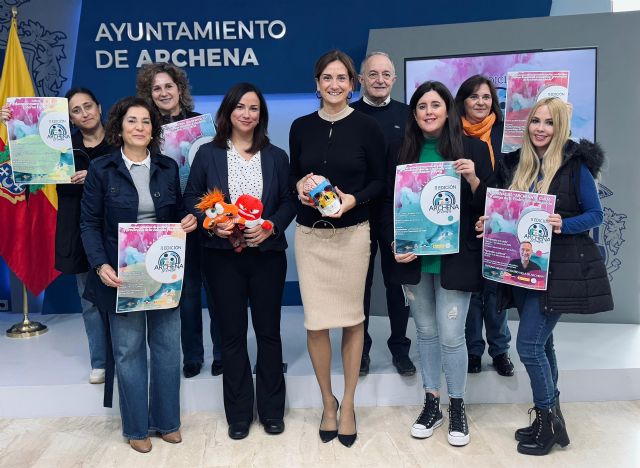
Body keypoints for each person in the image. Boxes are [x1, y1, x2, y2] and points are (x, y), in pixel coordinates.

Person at [476, 97, 613, 456]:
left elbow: (596, 214)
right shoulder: (517, 165)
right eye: (535, 121)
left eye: (549, 123)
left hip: (559, 270)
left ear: (561, 127)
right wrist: (490, 224)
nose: (540, 128)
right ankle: (552, 420)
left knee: (529, 346)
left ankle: (549, 423)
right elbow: (509, 217)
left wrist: (563, 224)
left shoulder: (574, 166)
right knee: (544, 345)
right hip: (524, 271)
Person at [80, 96, 197, 453]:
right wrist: (101, 265)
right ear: (119, 127)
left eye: (146, 122)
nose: (140, 128)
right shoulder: (102, 169)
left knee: (165, 347)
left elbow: (177, 210)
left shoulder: (166, 167)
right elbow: (88, 224)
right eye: (133, 121)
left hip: (162, 271)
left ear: (153, 129)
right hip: (121, 273)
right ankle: (135, 428)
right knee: (129, 350)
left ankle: (167, 422)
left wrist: (188, 219)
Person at [381, 81, 493, 447]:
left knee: (451, 335)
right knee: (426, 333)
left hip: (455, 260)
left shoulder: (473, 149)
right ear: (413, 114)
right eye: (422, 106)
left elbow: (487, 212)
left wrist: (474, 177)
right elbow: (387, 207)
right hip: (414, 260)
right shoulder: (401, 151)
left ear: (448, 109)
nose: (429, 111)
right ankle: (432, 403)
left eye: (436, 105)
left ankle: (457, 405)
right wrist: (395, 243)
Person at [184, 82, 295, 440]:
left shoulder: (276, 156)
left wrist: (271, 227)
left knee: (268, 334)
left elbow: (288, 202)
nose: (247, 114)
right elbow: (192, 199)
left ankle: (272, 411)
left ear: (261, 115)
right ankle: (239, 415)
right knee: (231, 336)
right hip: (221, 260)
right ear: (228, 111)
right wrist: (212, 226)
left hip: (266, 257)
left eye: (254, 109)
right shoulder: (208, 154)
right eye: (240, 108)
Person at [290, 49, 385, 448]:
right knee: (315, 323)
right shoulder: (299, 127)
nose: (334, 85)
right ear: (317, 84)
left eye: (341, 78)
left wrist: (353, 200)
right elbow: (296, 175)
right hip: (311, 238)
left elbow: (380, 181)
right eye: (327, 78)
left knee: (351, 319)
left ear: (353, 83)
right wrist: (298, 187)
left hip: (351, 236)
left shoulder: (367, 127)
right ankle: (326, 400)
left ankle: (347, 403)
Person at [2, 88, 115, 384]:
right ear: (70, 119)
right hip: (78, 231)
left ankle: (128, 358)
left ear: (99, 107)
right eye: (75, 111)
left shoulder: (121, 141)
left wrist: (96, 176)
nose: (84, 113)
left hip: (117, 231)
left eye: (88, 106)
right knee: (89, 301)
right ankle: (100, 362)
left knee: (124, 299)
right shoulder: (59, 145)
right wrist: (10, 126)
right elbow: (27, 169)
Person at [136, 62, 223, 378]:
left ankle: (223, 354)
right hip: (171, 221)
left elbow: (217, 168)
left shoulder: (201, 127)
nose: (163, 92)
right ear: (149, 94)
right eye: (156, 88)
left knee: (216, 288)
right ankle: (193, 356)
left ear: (180, 89)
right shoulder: (144, 128)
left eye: (168, 86)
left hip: (206, 215)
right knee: (185, 293)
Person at [351, 51, 414, 377]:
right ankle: (360, 352)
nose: (379, 80)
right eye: (372, 74)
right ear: (361, 79)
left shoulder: (408, 115)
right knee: (360, 286)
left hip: (399, 213)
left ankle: (400, 348)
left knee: (398, 284)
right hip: (357, 213)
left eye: (385, 74)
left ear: (394, 79)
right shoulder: (348, 114)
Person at [454, 75, 514, 377]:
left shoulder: (507, 135)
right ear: (462, 101)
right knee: (472, 293)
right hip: (465, 223)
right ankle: (473, 351)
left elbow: (515, 178)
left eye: (486, 97)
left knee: (495, 291)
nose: (480, 102)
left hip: (500, 222)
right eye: (474, 97)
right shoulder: (451, 136)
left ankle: (500, 350)